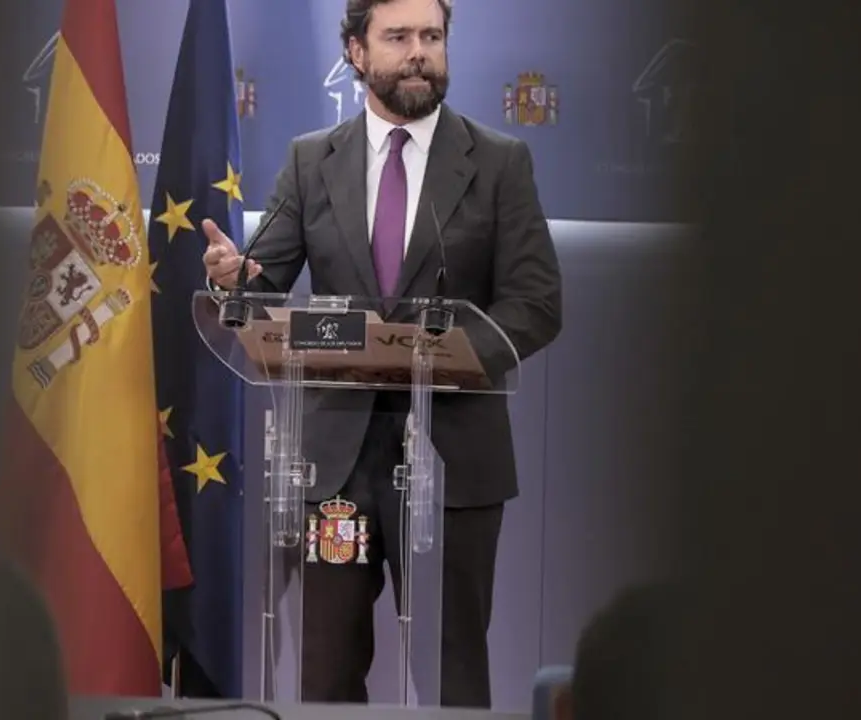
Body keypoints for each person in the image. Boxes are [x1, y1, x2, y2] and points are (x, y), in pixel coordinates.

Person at [202, 0, 562, 707]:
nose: (418, 51)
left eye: (432, 36)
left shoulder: (498, 162)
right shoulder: (312, 160)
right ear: (356, 53)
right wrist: (233, 279)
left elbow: (536, 302)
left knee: (452, 672)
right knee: (327, 672)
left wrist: (444, 354)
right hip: (335, 468)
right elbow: (263, 287)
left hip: (452, 463)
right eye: (397, 37)